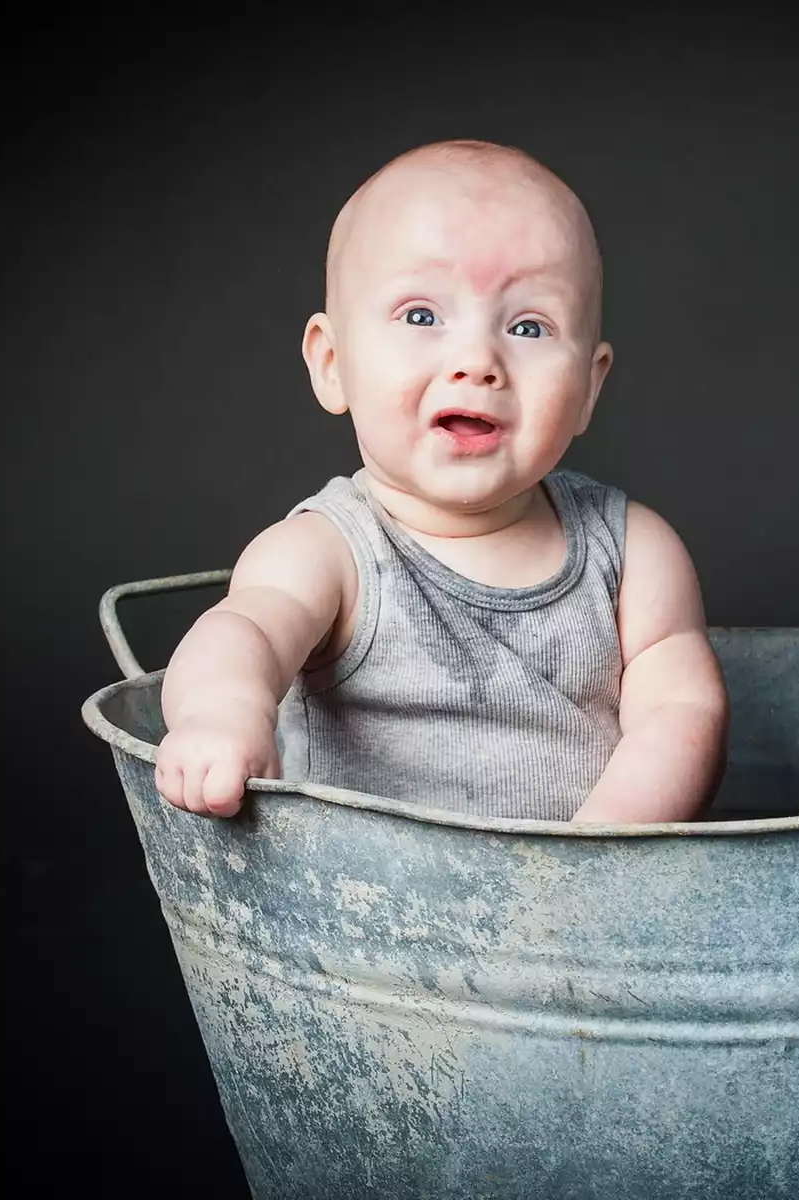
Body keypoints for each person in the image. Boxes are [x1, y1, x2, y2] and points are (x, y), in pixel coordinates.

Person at [152, 139, 729, 825]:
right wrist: (223, 713)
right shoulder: (326, 551)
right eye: (422, 316)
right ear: (332, 362)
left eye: (529, 325)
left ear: (587, 388)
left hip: (587, 912)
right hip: (362, 912)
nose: (478, 361)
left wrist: (593, 858)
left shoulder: (634, 552)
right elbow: (244, 630)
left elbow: (683, 714)